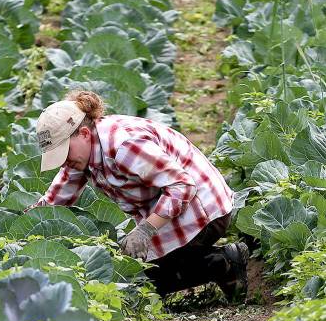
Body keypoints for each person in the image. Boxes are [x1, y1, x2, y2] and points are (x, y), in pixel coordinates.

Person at [26, 90, 248, 300]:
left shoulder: (123, 146)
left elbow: (182, 187)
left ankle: (225, 261)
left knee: (147, 281)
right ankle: (211, 262)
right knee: (134, 276)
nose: (64, 161)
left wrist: (145, 230)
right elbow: (55, 201)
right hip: (172, 210)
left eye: (64, 153)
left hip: (203, 208)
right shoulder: (83, 152)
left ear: (84, 133)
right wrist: (26, 226)